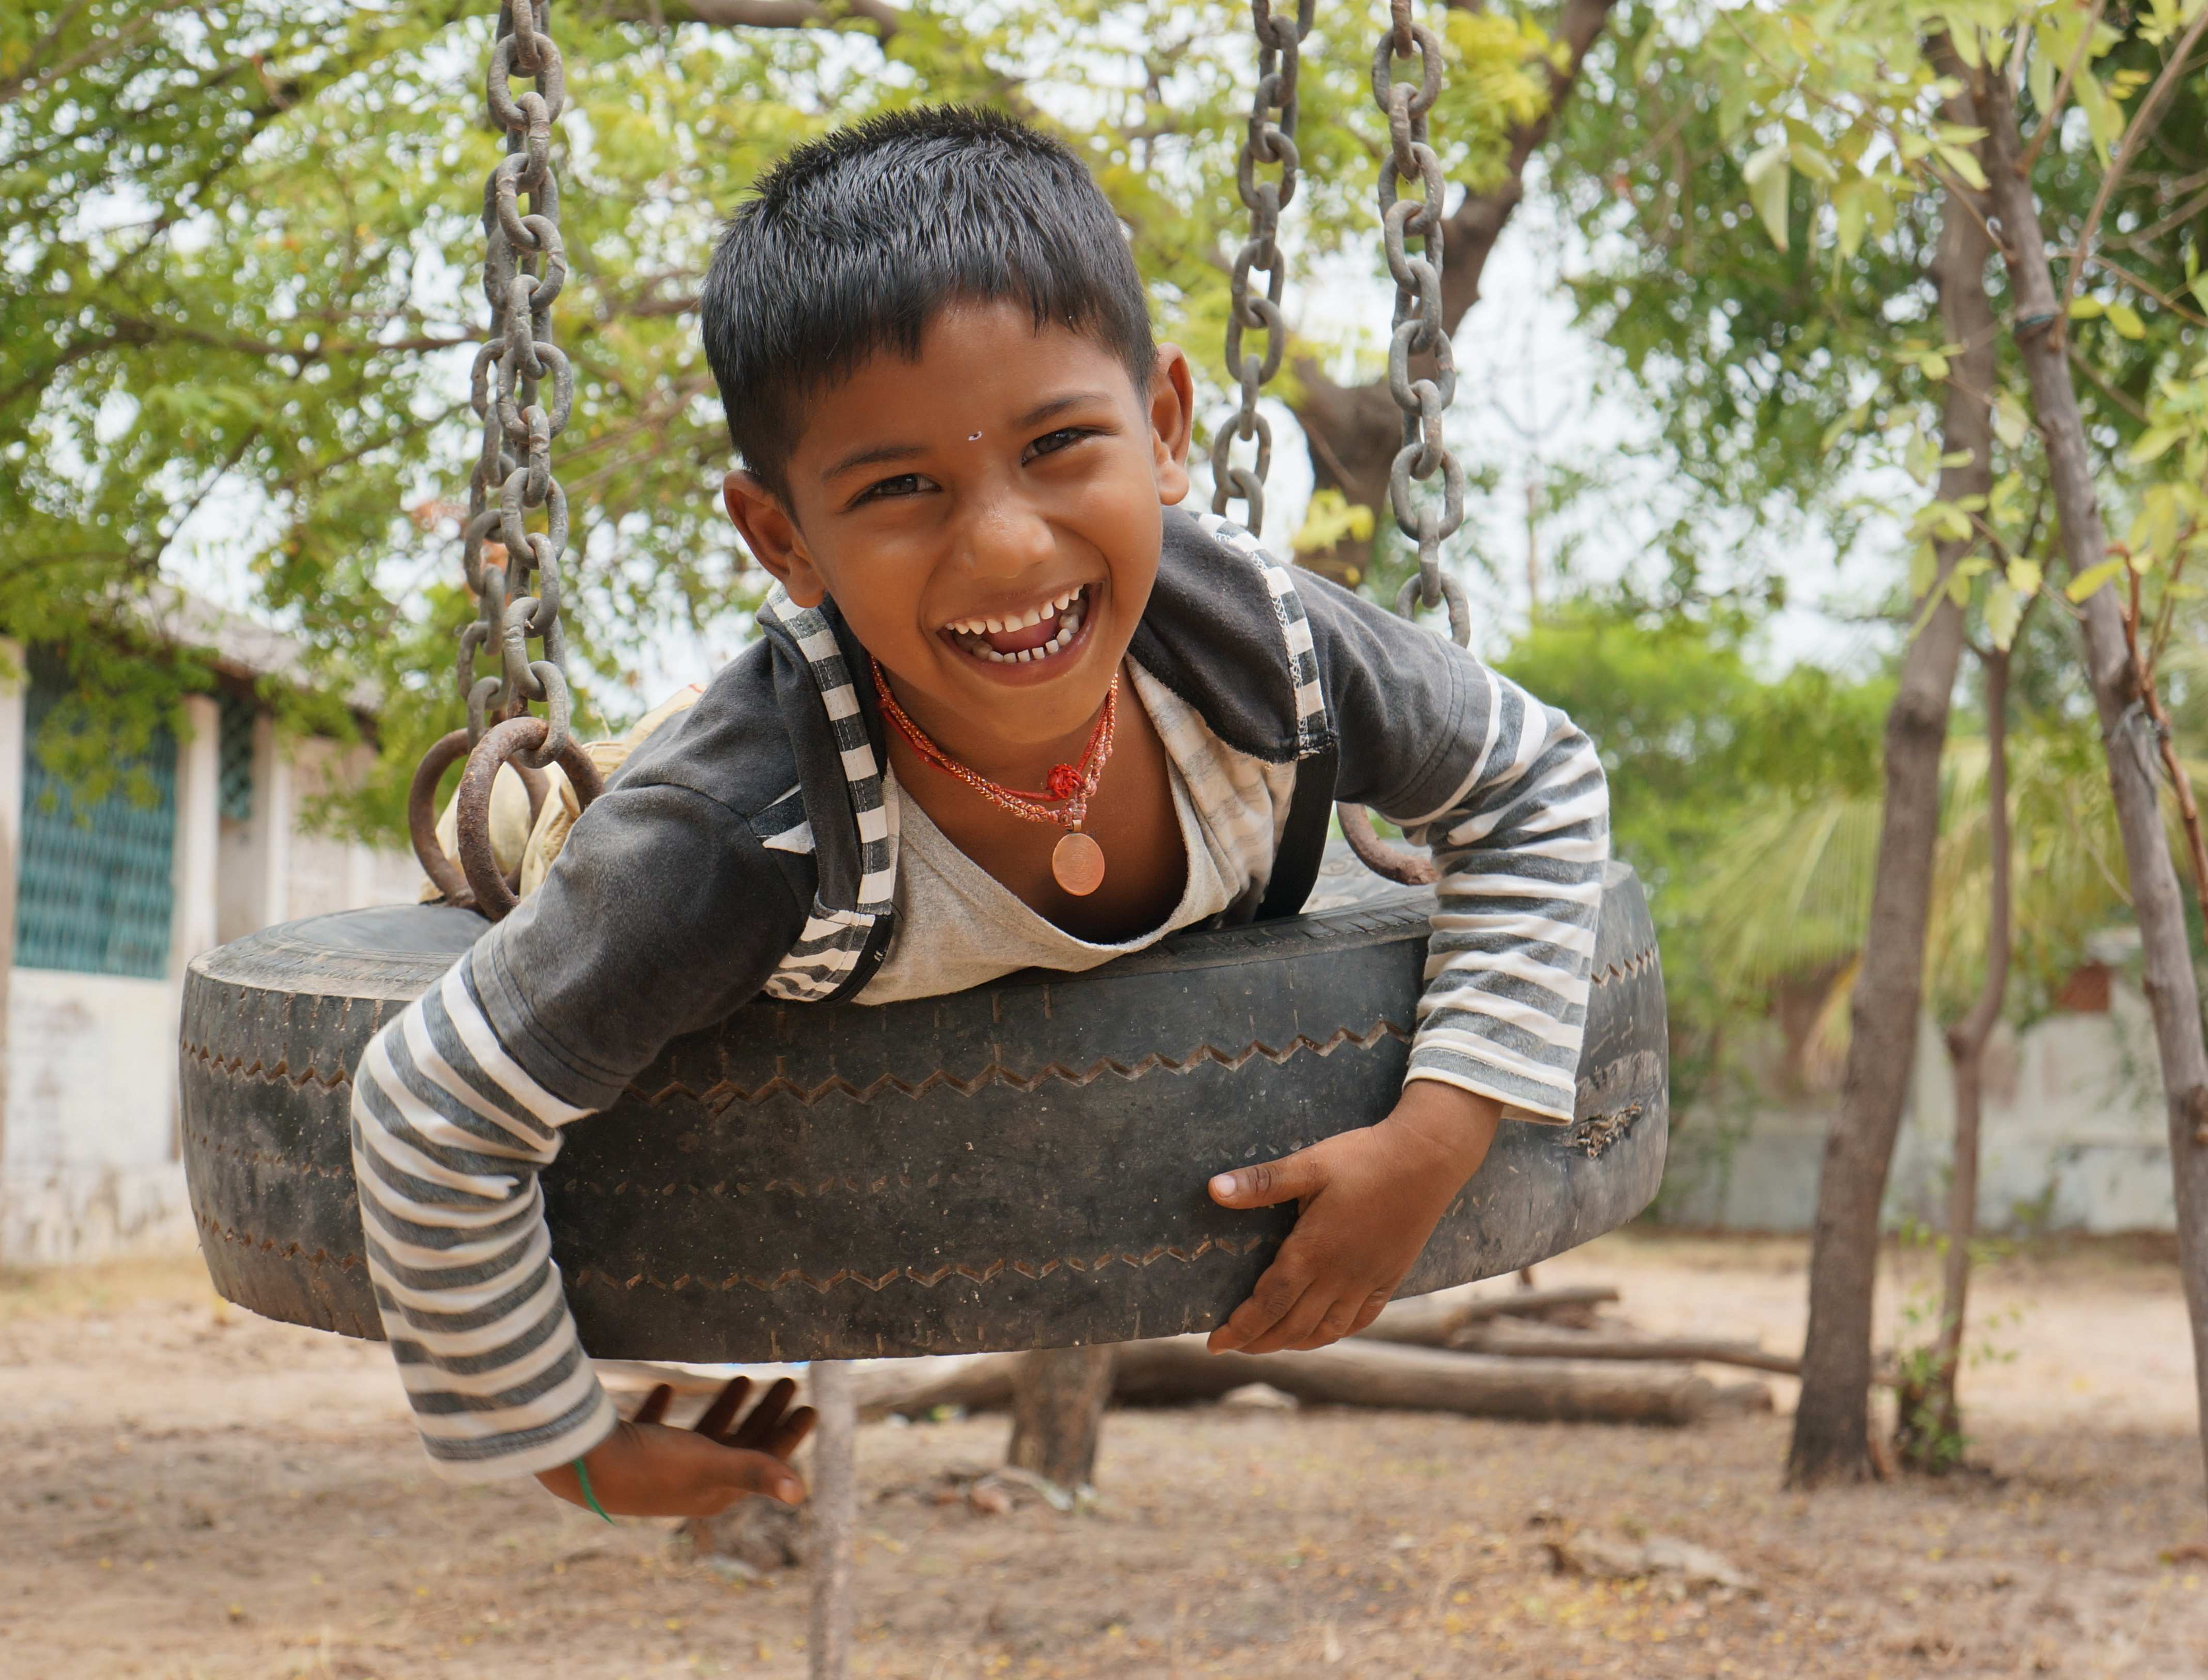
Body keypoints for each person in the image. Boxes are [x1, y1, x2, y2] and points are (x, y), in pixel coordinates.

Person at [350, 106, 1608, 1519]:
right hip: (654, 823)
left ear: (1168, 428)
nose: (1007, 543)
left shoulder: (1263, 648)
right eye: (900, 489)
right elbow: (428, 1107)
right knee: (582, 855)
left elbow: (1537, 780)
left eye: (1064, 446)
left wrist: (1440, 1134)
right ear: (783, 541)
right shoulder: (736, 834)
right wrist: (575, 1449)